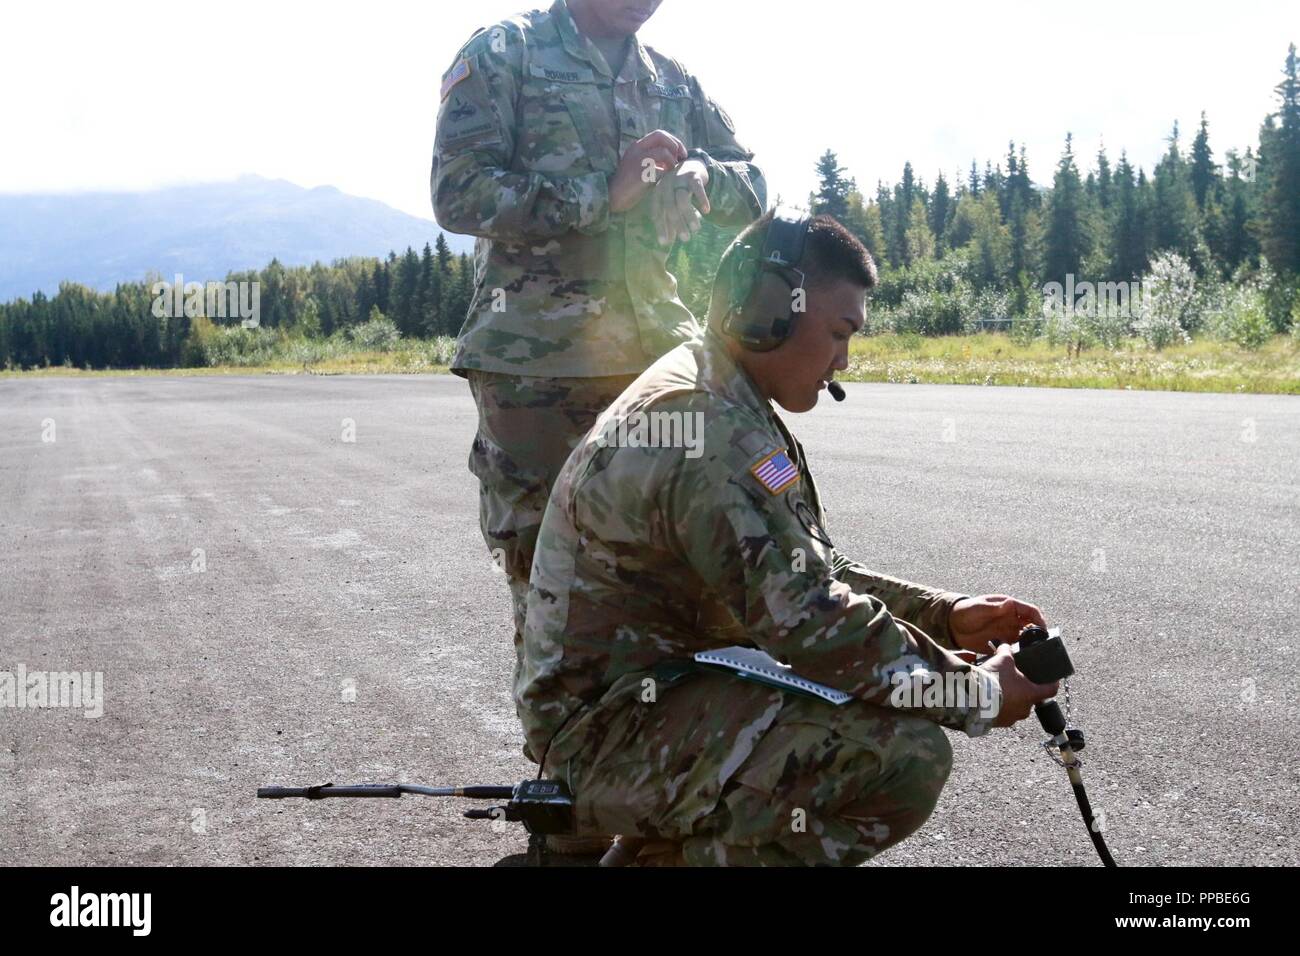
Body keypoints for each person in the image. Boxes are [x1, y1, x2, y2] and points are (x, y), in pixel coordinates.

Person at [516, 210, 1060, 866]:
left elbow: (809, 570)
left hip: (644, 697)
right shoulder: (705, 426)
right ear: (766, 309)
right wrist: (973, 693)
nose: (844, 360)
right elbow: (808, 620)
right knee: (900, 762)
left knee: (850, 729)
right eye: (838, 333)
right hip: (601, 731)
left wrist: (945, 615)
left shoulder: (724, 398)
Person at [430, 0, 766, 698]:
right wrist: (600, 195)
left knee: (681, 556)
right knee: (554, 571)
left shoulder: (672, 80)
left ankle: (669, 756)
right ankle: (565, 768)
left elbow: (755, 184)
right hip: (537, 369)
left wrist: (704, 173)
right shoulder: (506, 52)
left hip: (655, 359)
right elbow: (456, 192)